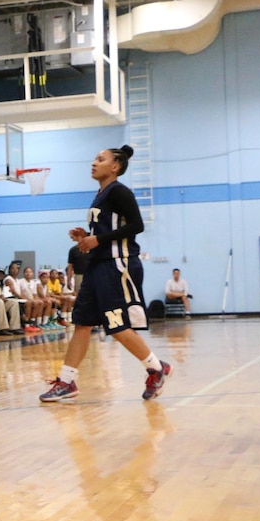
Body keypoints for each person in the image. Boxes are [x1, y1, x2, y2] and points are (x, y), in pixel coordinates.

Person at [40, 145, 172, 403]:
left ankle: (157, 369)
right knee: (82, 323)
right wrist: (85, 238)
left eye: (100, 159)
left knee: (117, 326)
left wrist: (97, 239)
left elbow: (137, 226)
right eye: (94, 158)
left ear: (115, 166)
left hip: (118, 265)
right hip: (98, 266)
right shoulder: (100, 194)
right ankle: (66, 382)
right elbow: (106, 232)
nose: (94, 162)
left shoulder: (119, 191)